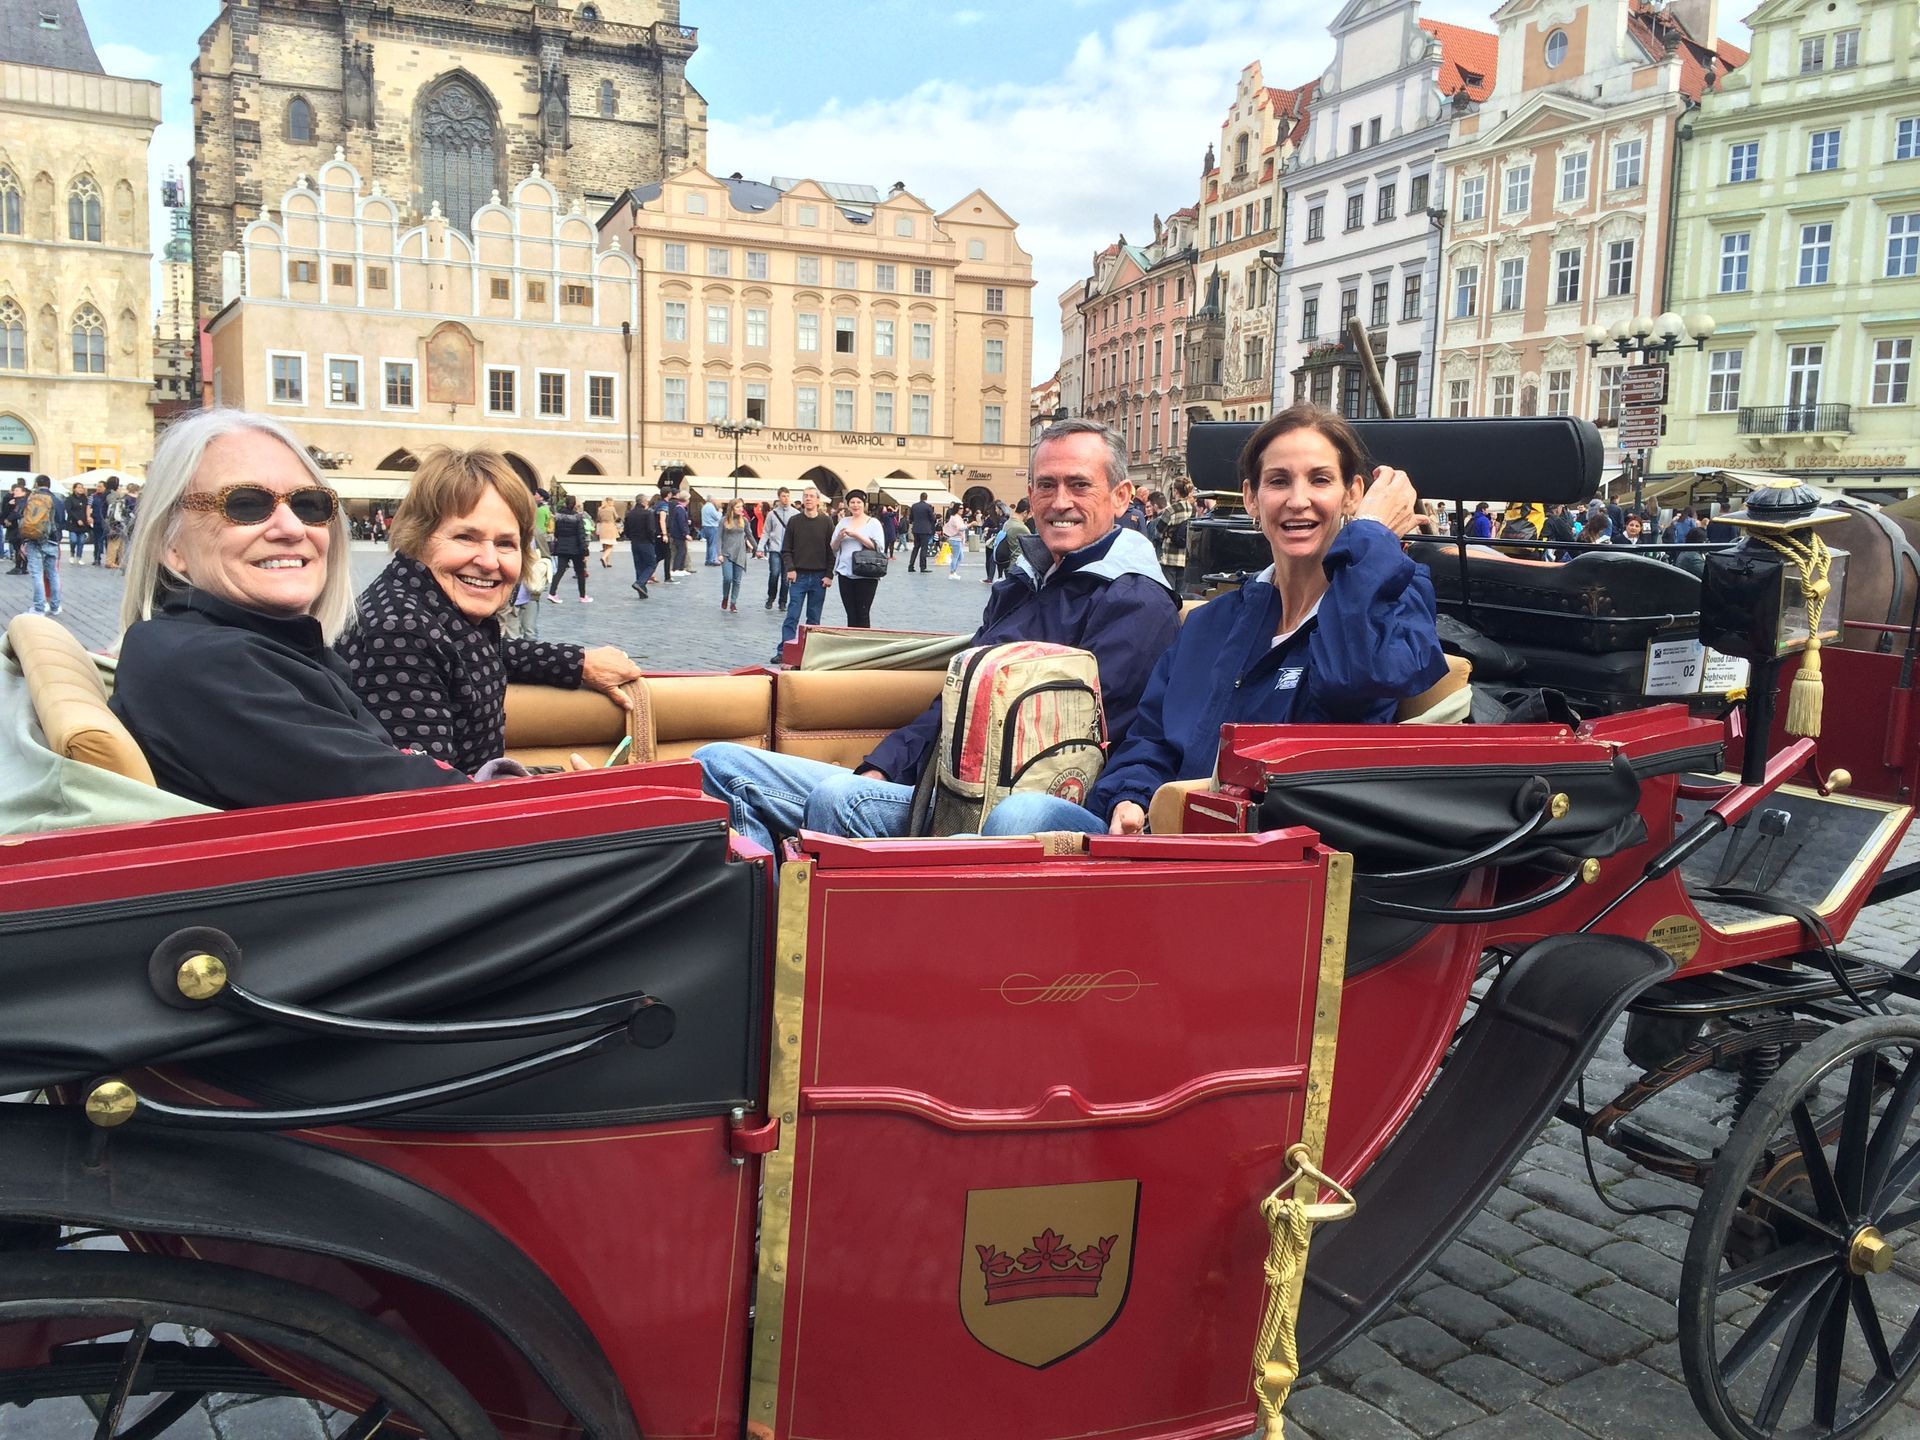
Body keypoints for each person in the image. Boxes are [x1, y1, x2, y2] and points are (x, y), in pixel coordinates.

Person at [699, 419, 1181, 852]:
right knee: (717, 765)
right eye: (1046, 485)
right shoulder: (1022, 583)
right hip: (942, 788)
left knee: (840, 800)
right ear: (1030, 494)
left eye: (1080, 485)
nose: (1060, 502)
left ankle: (828, 939)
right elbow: (954, 703)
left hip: (1014, 808)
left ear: (1120, 497)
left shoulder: (1135, 600)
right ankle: (774, 921)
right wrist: (884, 766)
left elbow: (1096, 739)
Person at [983, 405, 1446, 837]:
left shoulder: (1392, 599)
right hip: (1166, 843)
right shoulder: (1215, 621)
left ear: (1353, 496)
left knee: (1011, 826)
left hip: (1274, 855)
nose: (1298, 500)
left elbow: (1352, 681)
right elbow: (1152, 737)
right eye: (1278, 481)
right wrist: (1131, 797)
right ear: (1251, 498)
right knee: (1018, 816)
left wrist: (1372, 540)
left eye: (1320, 480)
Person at [109, 410, 484, 809]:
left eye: (309, 504)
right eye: (245, 504)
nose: (291, 528)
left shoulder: (250, 645)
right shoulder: (206, 666)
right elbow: (404, 800)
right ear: (172, 545)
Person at [337, 447, 638, 774]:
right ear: (418, 536)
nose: (489, 561)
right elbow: (430, 797)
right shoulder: (399, 629)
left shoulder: (423, 605)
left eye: (506, 543)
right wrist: (561, 786)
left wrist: (578, 662)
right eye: (466, 537)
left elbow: (474, 652)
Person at [773, 486, 835, 661]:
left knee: (813, 618)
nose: (808, 499)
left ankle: (810, 653)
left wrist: (829, 575)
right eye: (805, 496)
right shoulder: (794, 521)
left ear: (817, 501)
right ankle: (784, 651)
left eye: (811, 497)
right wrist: (791, 569)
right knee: (792, 615)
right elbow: (786, 549)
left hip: (819, 577)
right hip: (798, 576)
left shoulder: (827, 522)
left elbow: (831, 551)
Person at [831, 489, 885, 627]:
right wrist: (839, 537)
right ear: (848, 505)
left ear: (864, 504)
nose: (855, 505)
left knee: (863, 613)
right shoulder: (843, 522)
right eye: (852, 502)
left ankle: (864, 643)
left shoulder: (873, 523)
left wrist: (857, 536)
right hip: (845, 573)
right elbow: (833, 547)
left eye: (858, 502)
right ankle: (851, 642)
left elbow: (879, 547)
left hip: (866, 573)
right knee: (850, 613)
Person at [18, 473, 63, 615]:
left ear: (37, 484)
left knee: (37, 574)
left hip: (34, 540)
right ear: (49, 485)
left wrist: (23, 541)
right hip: (52, 540)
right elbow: (62, 520)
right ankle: (55, 606)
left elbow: (24, 520)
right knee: (53, 574)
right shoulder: (57, 500)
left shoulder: (31, 499)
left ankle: (39, 607)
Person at [547, 494, 591, 603]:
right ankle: (582, 596)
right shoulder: (578, 517)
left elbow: (556, 533)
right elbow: (581, 534)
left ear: (565, 503)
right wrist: (584, 549)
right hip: (576, 548)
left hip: (562, 546)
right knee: (580, 572)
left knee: (560, 571)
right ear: (574, 504)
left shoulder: (559, 517)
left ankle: (552, 593)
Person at [762, 486, 795, 610]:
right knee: (774, 574)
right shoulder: (772, 514)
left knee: (786, 578)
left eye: (787, 496)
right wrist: (760, 548)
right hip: (775, 549)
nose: (786, 498)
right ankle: (771, 597)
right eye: (783, 496)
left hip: (789, 551)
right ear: (779, 497)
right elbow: (766, 531)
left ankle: (783, 602)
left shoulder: (795, 513)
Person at [623, 491, 661, 598]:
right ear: (644, 502)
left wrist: (632, 538)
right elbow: (650, 529)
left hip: (634, 543)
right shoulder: (648, 513)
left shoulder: (629, 514)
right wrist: (652, 540)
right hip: (646, 542)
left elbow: (626, 531)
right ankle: (640, 583)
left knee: (639, 566)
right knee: (651, 564)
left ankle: (642, 592)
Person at [718, 498, 752, 612]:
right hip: (727, 553)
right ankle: (725, 597)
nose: (740, 509)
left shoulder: (744, 521)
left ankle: (733, 603)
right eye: (738, 507)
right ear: (732, 508)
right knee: (727, 578)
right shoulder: (724, 520)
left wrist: (758, 548)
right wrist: (719, 553)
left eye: (741, 507)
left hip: (740, 554)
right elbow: (718, 538)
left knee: (737, 580)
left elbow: (750, 535)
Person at [1160, 479, 1194, 591]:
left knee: (1168, 592)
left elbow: (1158, 530)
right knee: (1182, 594)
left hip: (1169, 556)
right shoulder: (1192, 509)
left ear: (1175, 491)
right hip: (1185, 556)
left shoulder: (1171, 509)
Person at [3, 478, 27, 574]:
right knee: (19, 547)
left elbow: (16, 513)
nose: (14, 492)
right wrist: (8, 504)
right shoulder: (15, 500)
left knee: (19, 547)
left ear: (23, 492)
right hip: (17, 527)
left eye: (17, 490)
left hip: (20, 528)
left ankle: (19, 567)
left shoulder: (22, 501)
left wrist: (8, 519)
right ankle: (22, 567)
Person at [908, 492, 937, 572]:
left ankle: (911, 566)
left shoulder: (914, 506)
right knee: (924, 549)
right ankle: (922, 567)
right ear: (926, 498)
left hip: (916, 529)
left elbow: (911, 518)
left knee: (915, 548)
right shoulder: (928, 507)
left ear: (920, 497)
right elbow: (932, 519)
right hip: (925, 530)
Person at [667, 492, 692, 575]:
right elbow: (681, 523)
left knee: (683, 550)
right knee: (681, 551)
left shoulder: (679, 508)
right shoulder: (680, 509)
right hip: (679, 534)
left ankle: (681, 568)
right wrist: (686, 534)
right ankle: (676, 568)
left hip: (677, 533)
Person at [66, 482, 90, 560]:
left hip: (83, 523)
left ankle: (79, 557)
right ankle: (72, 553)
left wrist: (87, 519)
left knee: (81, 541)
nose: (80, 489)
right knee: (73, 540)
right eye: (78, 487)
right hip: (73, 523)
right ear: (74, 489)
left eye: (81, 487)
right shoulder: (69, 499)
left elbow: (87, 509)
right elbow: (69, 510)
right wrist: (77, 519)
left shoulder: (85, 499)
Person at [942, 504, 967, 578]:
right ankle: (952, 572)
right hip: (955, 539)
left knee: (960, 557)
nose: (962, 509)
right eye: (960, 508)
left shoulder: (958, 517)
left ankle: (953, 571)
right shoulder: (955, 518)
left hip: (957, 539)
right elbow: (959, 528)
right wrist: (970, 525)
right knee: (956, 557)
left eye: (963, 508)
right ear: (956, 509)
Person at [596, 500, 620, 568]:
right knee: (610, 546)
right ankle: (603, 557)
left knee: (605, 546)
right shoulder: (612, 508)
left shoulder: (600, 509)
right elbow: (616, 517)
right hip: (610, 527)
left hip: (602, 528)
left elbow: (599, 519)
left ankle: (607, 562)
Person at [700, 496, 722, 567]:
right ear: (712, 499)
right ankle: (712, 559)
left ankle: (708, 559)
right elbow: (717, 517)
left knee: (709, 544)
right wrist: (719, 512)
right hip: (712, 527)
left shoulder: (704, 507)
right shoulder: (711, 507)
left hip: (705, 527)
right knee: (713, 544)